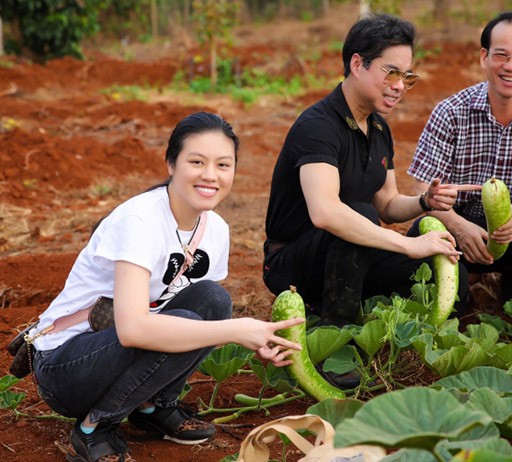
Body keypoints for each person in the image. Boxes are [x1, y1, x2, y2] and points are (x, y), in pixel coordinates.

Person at [27, 112, 304, 462]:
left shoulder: (216, 229)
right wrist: (236, 331)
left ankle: (153, 408)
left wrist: (251, 340)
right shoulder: (139, 220)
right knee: (191, 320)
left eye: (223, 164)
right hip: (66, 366)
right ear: (171, 164)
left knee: (213, 301)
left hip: (116, 350)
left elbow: (204, 319)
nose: (210, 175)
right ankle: (92, 428)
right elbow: (133, 329)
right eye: (197, 162)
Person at [263, 13, 480, 336]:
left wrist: (425, 201)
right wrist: (407, 246)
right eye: (391, 72)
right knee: (359, 213)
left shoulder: (378, 127)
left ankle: (405, 342)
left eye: (407, 76)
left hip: (353, 255)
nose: (399, 86)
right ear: (356, 64)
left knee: (446, 269)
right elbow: (325, 213)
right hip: (294, 264)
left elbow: (388, 205)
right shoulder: (318, 127)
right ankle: (336, 336)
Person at [408, 11, 512, 306]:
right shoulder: (451, 112)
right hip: (457, 227)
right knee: (424, 233)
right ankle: (457, 301)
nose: (511, 66)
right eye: (501, 55)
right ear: (484, 57)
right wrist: (457, 224)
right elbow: (421, 187)